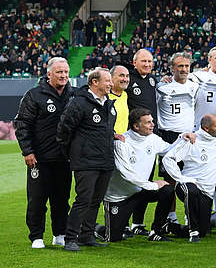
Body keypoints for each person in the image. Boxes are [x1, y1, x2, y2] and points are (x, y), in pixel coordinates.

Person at [16, 56, 75, 249]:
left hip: (64, 158)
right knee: (37, 200)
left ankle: (60, 233)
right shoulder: (34, 95)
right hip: (39, 159)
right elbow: (22, 124)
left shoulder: (73, 95)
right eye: (59, 72)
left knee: (62, 200)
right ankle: (36, 236)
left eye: (66, 72)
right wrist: (27, 151)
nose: (63, 75)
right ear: (49, 73)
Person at [57, 68, 118, 251]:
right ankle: (70, 238)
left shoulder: (109, 103)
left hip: (105, 159)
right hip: (86, 160)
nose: (110, 84)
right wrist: (73, 153)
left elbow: (104, 129)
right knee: (83, 199)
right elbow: (64, 130)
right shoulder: (79, 103)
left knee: (96, 200)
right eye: (107, 81)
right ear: (94, 82)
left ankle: (86, 235)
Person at [103, 107, 178, 242]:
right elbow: (127, 174)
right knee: (113, 237)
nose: (152, 125)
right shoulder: (121, 143)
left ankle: (157, 231)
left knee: (167, 190)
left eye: (152, 121)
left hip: (141, 191)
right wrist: (152, 185)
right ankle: (92, 228)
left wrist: (183, 139)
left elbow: (171, 150)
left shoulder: (153, 139)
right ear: (136, 126)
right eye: (148, 122)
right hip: (120, 196)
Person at [162, 114, 216, 242]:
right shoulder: (191, 140)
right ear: (206, 128)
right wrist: (181, 178)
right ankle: (193, 232)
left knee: (203, 231)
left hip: (206, 192)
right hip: (188, 185)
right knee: (191, 191)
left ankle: (169, 227)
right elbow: (168, 159)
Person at [156, 52, 199, 139]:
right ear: (172, 68)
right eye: (180, 66)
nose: (184, 69)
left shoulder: (195, 86)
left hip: (189, 134)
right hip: (168, 134)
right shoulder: (161, 87)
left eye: (187, 66)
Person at [126, 49, 160, 130]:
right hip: (136, 129)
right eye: (144, 61)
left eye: (149, 61)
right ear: (134, 62)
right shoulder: (127, 78)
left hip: (152, 127)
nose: (147, 64)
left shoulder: (152, 79)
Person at [109, 65, 131, 134]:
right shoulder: (104, 97)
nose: (125, 79)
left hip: (123, 140)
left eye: (127, 76)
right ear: (111, 78)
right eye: (121, 75)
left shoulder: (125, 95)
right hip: (109, 141)